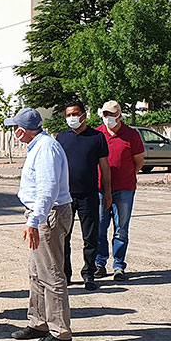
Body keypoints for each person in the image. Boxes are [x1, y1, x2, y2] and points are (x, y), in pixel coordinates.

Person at [6, 108, 74, 341]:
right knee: (36, 272)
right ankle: (39, 322)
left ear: (23, 130)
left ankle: (60, 332)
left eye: (15, 127)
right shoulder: (39, 146)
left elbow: (48, 189)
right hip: (43, 214)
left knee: (51, 274)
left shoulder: (45, 148)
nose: (14, 131)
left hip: (49, 215)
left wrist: (35, 221)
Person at [56, 102, 112, 290]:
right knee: (64, 237)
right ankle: (65, 275)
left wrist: (107, 192)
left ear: (84, 115)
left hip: (89, 195)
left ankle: (89, 273)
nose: (71, 117)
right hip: (65, 197)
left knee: (90, 237)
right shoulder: (61, 138)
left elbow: (104, 166)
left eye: (74, 113)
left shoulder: (97, 137)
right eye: (68, 114)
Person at [95, 100, 145, 281]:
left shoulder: (131, 135)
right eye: (105, 114)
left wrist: (127, 175)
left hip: (124, 189)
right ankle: (99, 263)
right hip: (100, 189)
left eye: (111, 115)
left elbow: (138, 162)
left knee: (121, 229)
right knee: (100, 228)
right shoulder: (97, 134)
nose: (108, 118)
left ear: (119, 116)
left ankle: (118, 265)